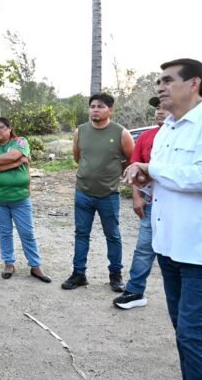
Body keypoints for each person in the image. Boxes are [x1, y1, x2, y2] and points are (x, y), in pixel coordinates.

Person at [124, 58, 202, 380]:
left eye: (167, 80)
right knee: (183, 331)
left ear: (194, 84)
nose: (160, 87)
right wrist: (142, 179)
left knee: (194, 336)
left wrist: (152, 169)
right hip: (169, 247)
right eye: (159, 82)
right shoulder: (166, 131)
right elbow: (164, 183)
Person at [62, 92, 134, 292]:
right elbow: (78, 158)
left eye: (100, 106)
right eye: (92, 106)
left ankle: (115, 275)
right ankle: (79, 274)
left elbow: (131, 160)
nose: (95, 109)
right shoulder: (81, 131)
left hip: (108, 195)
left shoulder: (121, 133)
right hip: (83, 193)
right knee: (81, 234)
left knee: (113, 235)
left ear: (110, 110)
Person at [113, 97, 169, 309]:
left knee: (173, 254)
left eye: (164, 107)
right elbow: (136, 170)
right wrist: (137, 196)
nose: (159, 112)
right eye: (157, 108)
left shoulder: (183, 136)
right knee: (144, 248)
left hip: (177, 206)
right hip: (150, 202)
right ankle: (135, 291)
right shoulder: (147, 136)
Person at [0, 116, 50, 283]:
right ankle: (9, 263)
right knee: (5, 232)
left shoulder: (20, 142)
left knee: (27, 232)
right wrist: (15, 163)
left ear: (9, 128)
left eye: (0, 127)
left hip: (20, 198)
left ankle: (35, 266)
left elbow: (8, 157)